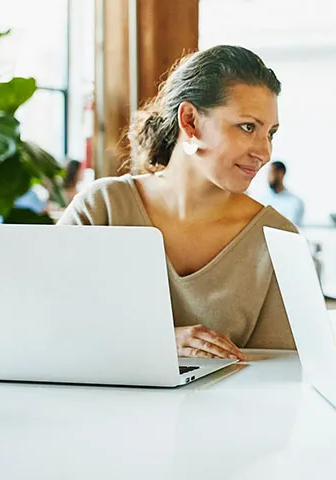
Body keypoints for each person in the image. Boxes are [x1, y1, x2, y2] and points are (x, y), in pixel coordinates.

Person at [58, 45, 298, 361]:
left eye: (271, 133)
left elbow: (280, 375)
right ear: (190, 122)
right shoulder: (102, 208)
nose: (264, 152)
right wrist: (157, 341)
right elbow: (51, 323)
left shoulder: (277, 237)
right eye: (248, 127)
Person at [248, 160, 305, 226]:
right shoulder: (260, 200)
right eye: (268, 174)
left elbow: (292, 227)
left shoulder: (295, 202)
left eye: (271, 173)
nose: (268, 177)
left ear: (281, 173)